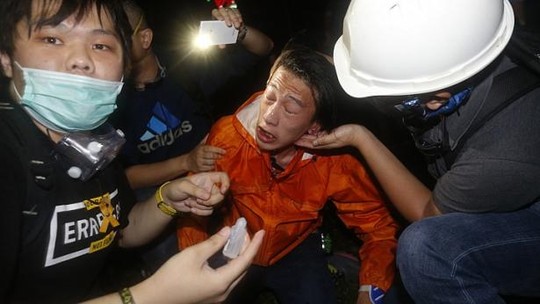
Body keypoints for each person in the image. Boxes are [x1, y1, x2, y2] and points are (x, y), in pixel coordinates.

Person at [0, 0, 265, 303]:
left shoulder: (97, 142)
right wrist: (153, 295)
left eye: (101, 45)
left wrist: (168, 198)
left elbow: (121, 229)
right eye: (52, 39)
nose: (81, 59)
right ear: (6, 57)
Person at [298, 0, 540, 303]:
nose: (380, 103)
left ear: (437, 99)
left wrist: (361, 137)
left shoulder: (502, 154)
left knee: (426, 252)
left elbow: (428, 212)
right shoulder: (468, 33)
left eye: (388, 98)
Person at [177, 46, 400, 304]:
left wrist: (370, 289)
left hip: (295, 249)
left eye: (290, 109)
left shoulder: (335, 161)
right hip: (235, 243)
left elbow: (378, 227)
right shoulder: (227, 136)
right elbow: (192, 210)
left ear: (315, 125)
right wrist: (194, 259)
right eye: (269, 97)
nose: (268, 118)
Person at [107, 0, 274, 276]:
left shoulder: (183, 67)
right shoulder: (107, 97)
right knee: (171, 261)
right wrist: (186, 161)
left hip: (213, 169)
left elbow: (264, 48)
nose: (106, 45)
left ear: (145, 38)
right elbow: (125, 178)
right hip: (156, 187)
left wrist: (238, 30)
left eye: (117, 35)